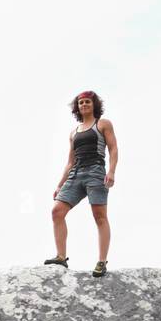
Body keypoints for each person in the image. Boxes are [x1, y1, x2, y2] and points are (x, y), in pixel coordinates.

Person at [44, 90, 118, 277]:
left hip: (95, 172)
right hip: (76, 174)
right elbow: (70, 161)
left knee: (99, 216)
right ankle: (61, 257)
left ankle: (101, 261)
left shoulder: (102, 124)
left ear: (94, 105)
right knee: (57, 211)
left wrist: (111, 171)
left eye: (87, 102)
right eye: (81, 103)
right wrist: (60, 184)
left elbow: (113, 148)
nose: (84, 105)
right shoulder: (74, 133)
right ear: (77, 107)